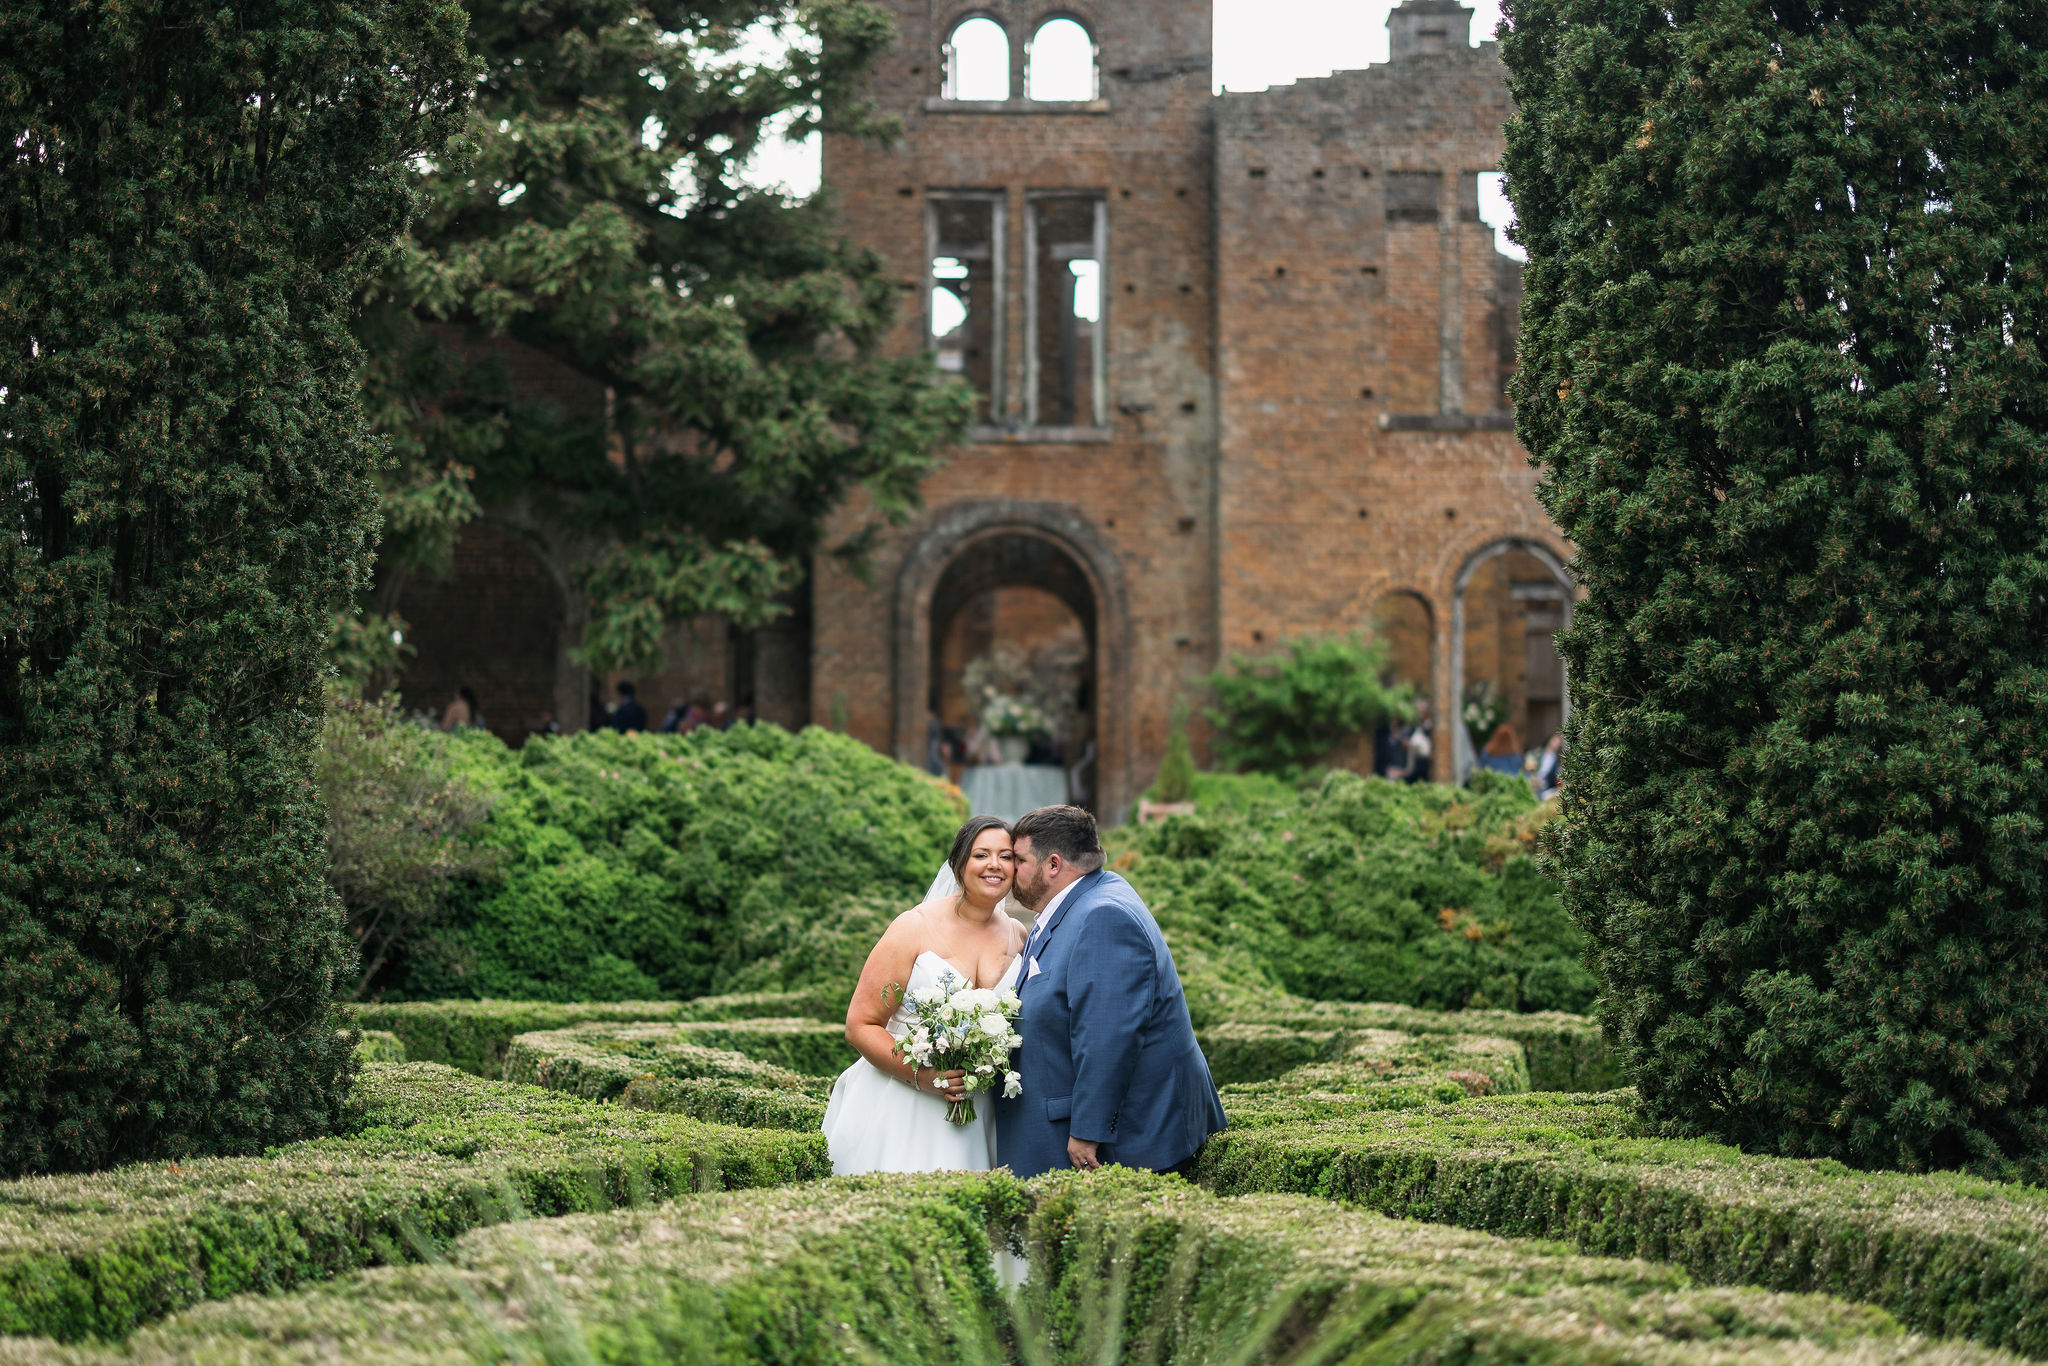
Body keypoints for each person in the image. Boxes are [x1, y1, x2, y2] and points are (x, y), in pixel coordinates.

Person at [996, 805, 1225, 1179]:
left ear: (1053, 865)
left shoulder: (1103, 916)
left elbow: (1108, 1036)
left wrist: (1088, 1130)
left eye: (1018, 860)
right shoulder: (1090, 894)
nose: (1010, 869)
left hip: (1135, 1139)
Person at [822, 816, 1028, 1174]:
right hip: (902, 1104)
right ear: (959, 863)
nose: (994, 864)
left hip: (978, 1110)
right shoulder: (913, 927)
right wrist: (924, 1076)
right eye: (981, 855)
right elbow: (860, 1025)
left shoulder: (1019, 935)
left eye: (1006, 856)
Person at [1533, 732, 1564, 799]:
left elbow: (1557, 778)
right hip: (1534, 783)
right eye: (1555, 741)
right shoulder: (1538, 753)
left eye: (1558, 743)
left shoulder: (1557, 760)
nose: (1556, 744)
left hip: (1546, 788)